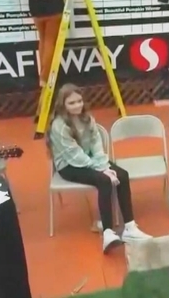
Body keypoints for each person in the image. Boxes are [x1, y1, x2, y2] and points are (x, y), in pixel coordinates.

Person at [48, 83, 151, 252]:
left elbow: (96, 143)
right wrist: (103, 170)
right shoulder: (59, 126)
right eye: (72, 103)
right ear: (63, 105)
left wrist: (103, 165)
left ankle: (130, 228)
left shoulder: (87, 118)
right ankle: (108, 233)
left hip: (91, 160)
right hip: (69, 165)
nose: (77, 105)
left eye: (79, 101)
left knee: (122, 175)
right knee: (104, 181)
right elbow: (75, 155)